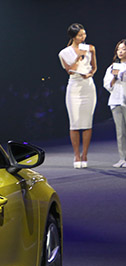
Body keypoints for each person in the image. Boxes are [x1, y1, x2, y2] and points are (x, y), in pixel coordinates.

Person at [59, 23, 97, 169]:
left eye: (84, 34)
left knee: (87, 122)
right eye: (80, 35)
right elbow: (70, 70)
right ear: (73, 37)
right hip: (74, 87)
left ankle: (85, 155)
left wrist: (90, 74)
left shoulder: (91, 48)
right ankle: (76, 155)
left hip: (88, 87)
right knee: (74, 123)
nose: (83, 37)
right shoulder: (64, 53)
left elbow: (94, 67)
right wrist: (78, 57)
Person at [103, 39, 126, 168]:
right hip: (116, 101)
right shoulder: (113, 67)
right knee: (120, 131)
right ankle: (122, 158)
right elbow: (107, 85)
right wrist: (114, 77)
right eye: (118, 49)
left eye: (123, 49)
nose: (120, 52)